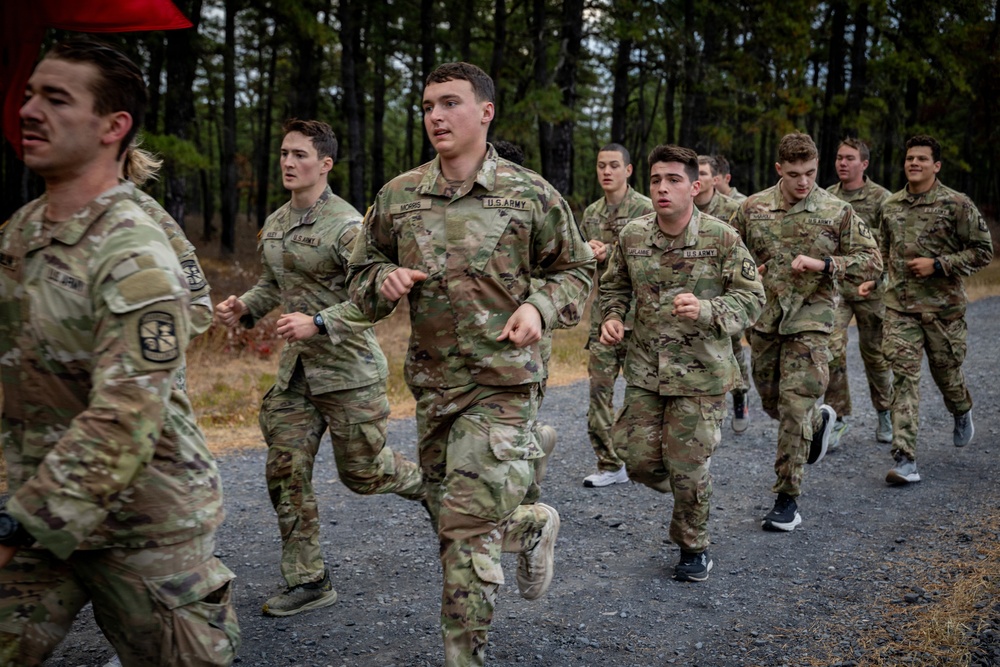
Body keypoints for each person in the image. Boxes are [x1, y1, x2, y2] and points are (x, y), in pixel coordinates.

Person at [0, 38, 240, 664]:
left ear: (114, 129)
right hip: (43, 499)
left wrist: (18, 522)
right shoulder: (21, 233)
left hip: (143, 519)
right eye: (30, 94)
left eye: (56, 99)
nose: (28, 110)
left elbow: (128, 411)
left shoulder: (137, 243)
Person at [348, 62, 595, 667]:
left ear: (485, 112)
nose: (435, 116)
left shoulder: (530, 193)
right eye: (428, 105)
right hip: (434, 388)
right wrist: (382, 281)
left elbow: (576, 270)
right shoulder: (399, 196)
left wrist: (539, 306)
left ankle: (466, 657)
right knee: (448, 514)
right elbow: (359, 273)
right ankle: (529, 523)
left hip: (504, 384)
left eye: (450, 103)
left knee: (462, 530)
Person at [216, 119, 426, 617]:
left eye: (300, 155)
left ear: (325, 164)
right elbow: (273, 284)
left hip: (348, 373)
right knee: (284, 469)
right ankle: (308, 580)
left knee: (365, 473)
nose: (288, 163)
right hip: (296, 377)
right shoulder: (276, 222)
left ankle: (438, 491)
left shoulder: (348, 227)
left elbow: (375, 299)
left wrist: (317, 322)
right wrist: (244, 308)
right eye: (284, 153)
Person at [600, 145, 764, 581]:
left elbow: (753, 299)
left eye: (673, 180)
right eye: (656, 180)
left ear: (694, 187)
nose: (662, 188)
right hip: (646, 370)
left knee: (688, 468)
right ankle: (689, 484)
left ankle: (694, 546)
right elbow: (614, 287)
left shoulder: (722, 238)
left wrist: (708, 310)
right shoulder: (632, 236)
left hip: (701, 373)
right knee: (636, 460)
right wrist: (613, 317)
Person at [731, 132, 881, 532]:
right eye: (794, 174)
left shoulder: (836, 210)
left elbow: (872, 261)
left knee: (795, 406)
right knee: (774, 403)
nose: (803, 182)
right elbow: (727, 254)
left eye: (810, 173)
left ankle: (787, 499)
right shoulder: (752, 208)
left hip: (812, 321)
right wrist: (746, 272)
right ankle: (818, 423)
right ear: (779, 169)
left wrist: (826, 265)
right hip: (765, 320)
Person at [860, 135, 993, 485]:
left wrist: (938, 264)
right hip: (899, 309)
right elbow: (884, 253)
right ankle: (905, 459)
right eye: (910, 158)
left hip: (942, 310)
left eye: (921, 158)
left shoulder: (956, 204)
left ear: (936, 165)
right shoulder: (890, 206)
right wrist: (875, 280)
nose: (914, 163)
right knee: (904, 379)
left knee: (946, 373)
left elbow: (983, 252)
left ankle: (961, 408)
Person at [578, 143, 653, 487]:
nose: (606, 172)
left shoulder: (647, 209)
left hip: (642, 318)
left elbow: (654, 260)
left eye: (613, 165)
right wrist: (587, 253)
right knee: (599, 391)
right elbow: (581, 265)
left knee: (643, 395)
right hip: (604, 319)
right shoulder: (591, 214)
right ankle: (610, 464)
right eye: (600, 166)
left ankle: (644, 456)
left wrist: (611, 251)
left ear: (628, 170)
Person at [825, 138, 893, 448]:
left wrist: (880, 281)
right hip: (837, 288)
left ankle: (885, 412)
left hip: (871, 289)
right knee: (831, 350)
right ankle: (837, 418)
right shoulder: (828, 198)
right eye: (839, 157)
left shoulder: (882, 200)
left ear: (864, 164)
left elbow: (893, 247)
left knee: (875, 355)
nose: (842, 163)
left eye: (849, 158)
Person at [695, 155, 751, 433]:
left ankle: (740, 394)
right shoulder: (683, 207)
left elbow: (750, 247)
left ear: (715, 179)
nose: (697, 177)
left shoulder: (733, 209)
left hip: (725, 290)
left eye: (703, 173)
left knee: (732, 345)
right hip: (693, 289)